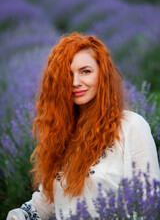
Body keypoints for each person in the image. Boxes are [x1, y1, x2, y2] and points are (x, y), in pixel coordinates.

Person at [7, 32, 160, 220]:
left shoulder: (131, 127)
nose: (75, 82)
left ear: (102, 74)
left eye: (85, 71)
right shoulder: (60, 134)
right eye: (67, 75)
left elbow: (147, 203)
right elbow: (47, 203)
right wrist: (19, 215)